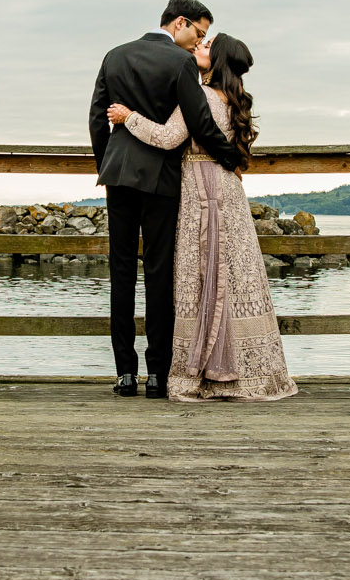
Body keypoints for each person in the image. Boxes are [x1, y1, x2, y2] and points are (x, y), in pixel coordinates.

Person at [106, 33, 297, 403]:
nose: (199, 47)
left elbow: (166, 137)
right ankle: (240, 366)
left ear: (219, 59)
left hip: (201, 188)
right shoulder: (232, 98)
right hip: (227, 189)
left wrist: (128, 116)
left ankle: (203, 368)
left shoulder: (204, 96)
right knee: (229, 273)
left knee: (202, 270)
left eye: (207, 46)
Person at [88, 0, 242, 398]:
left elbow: (96, 117)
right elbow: (200, 122)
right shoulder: (180, 63)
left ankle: (125, 373)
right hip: (162, 178)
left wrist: (109, 162)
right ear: (180, 23)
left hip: (119, 174)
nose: (198, 44)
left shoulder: (114, 55)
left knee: (120, 272)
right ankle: (156, 374)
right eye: (199, 33)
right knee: (159, 274)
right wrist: (230, 158)